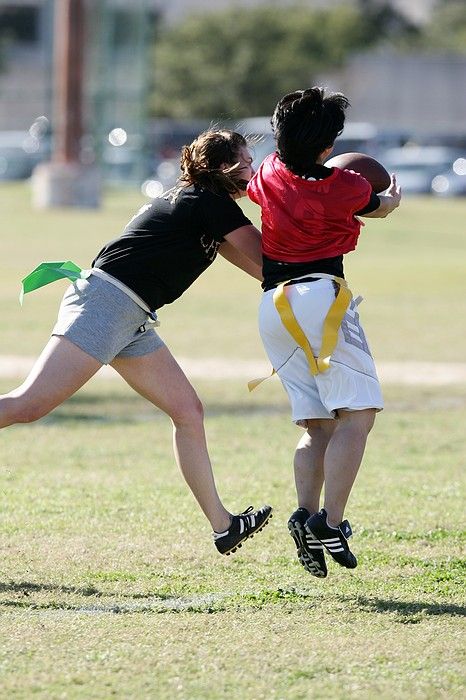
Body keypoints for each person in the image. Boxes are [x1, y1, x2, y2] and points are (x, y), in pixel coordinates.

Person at [1, 129, 272, 556]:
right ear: (225, 168)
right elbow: (270, 259)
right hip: (108, 302)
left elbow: (264, 272)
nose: (254, 170)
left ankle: (223, 526)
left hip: (130, 313)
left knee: (187, 411)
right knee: (28, 404)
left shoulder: (201, 203)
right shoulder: (209, 203)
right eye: (248, 162)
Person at [247, 88, 401, 577]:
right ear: (328, 144)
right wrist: (390, 198)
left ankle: (305, 513)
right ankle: (330, 522)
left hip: (273, 305)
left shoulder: (267, 171)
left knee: (317, 425)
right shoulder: (345, 186)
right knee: (359, 416)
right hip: (322, 300)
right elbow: (376, 205)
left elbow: (266, 189)